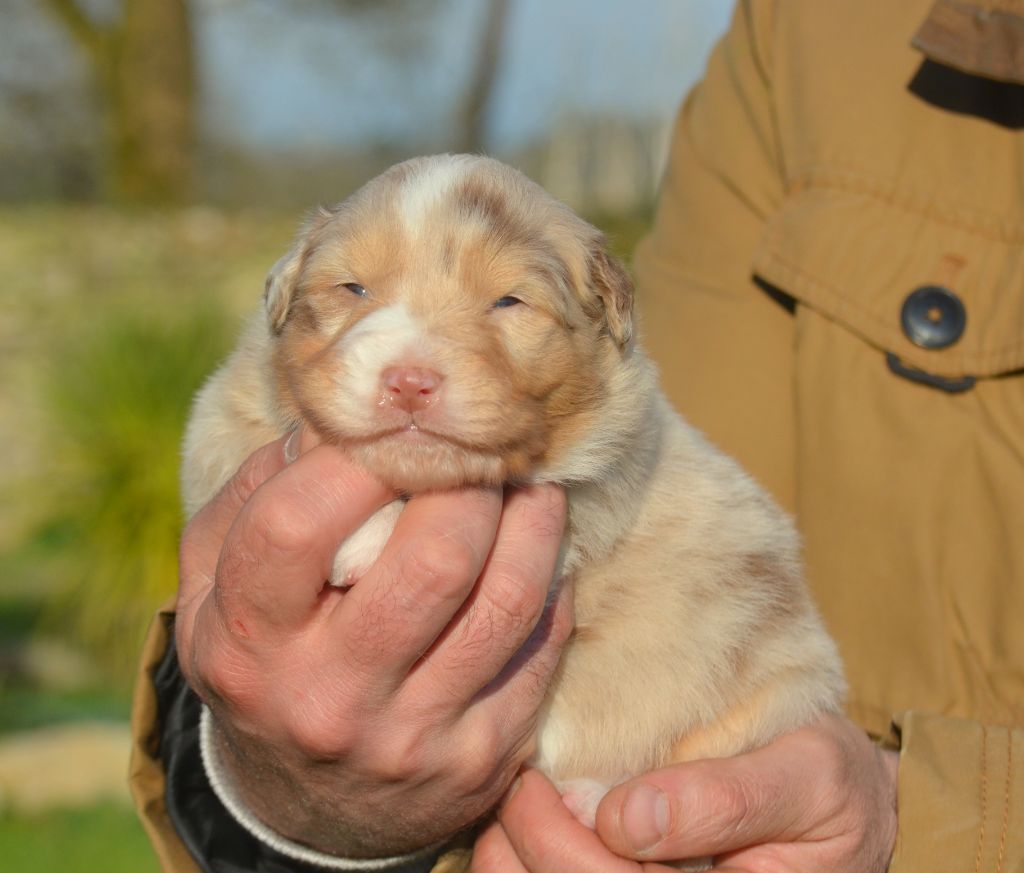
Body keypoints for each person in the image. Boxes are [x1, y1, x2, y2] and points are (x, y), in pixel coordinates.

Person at [130, 0, 1024, 870]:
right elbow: (657, 459)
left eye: (508, 300)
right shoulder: (812, 32)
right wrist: (292, 806)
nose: (410, 363)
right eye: (354, 293)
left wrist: (922, 824)